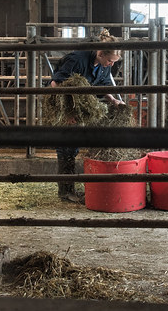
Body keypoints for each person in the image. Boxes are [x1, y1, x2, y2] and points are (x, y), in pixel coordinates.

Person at [49, 29, 124, 202]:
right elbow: (56, 83)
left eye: (114, 62)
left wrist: (113, 100)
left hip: (79, 107)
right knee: (66, 148)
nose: (111, 65)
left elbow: (103, 85)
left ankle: (69, 189)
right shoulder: (78, 60)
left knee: (73, 147)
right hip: (63, 105)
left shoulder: (103, 65)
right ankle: (66, 192)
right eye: (110, 61)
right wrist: (66, 112)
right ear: (100, 53)